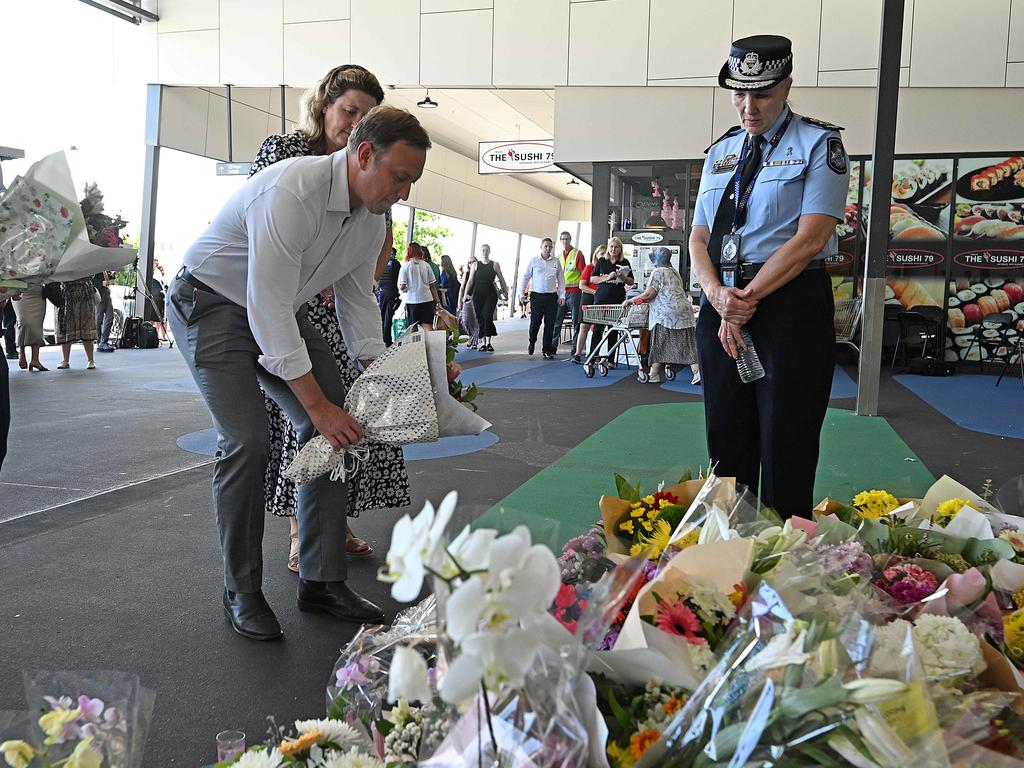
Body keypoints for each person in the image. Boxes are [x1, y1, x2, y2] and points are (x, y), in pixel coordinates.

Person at [167, 105, 431, 640]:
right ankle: (241, 590)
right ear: (362, 155)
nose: (403, 194)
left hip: (280, 309)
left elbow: (358, 306)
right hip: (212, 304)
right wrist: (317, 405)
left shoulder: (372, 220)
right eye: (399, 178)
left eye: (412, 183)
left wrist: (386, 379)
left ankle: (321, 581)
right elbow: (264, 306)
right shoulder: (293, 190)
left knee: (338, 431)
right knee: (246, 440)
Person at [248, 64, 410, 574]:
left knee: (350, 418)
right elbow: (266, 241)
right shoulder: (287, 159)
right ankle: (301, 532)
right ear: (324, 107)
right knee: (300, 419)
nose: (356, 120)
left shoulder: (379, 175)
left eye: (367, 114)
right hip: (277, 304)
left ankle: (333, 522)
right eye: (349, 111)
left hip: (335, 305)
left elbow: (368, 258)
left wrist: (387, 365)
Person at [689, 34, 848, 518]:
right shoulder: (720, 153)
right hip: (722, 302)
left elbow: (811, 238)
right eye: (739, 93)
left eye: (761, 93)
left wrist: (746, 299)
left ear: (787, 87)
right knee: (725, 440)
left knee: (787, 442)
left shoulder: (820, 144)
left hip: (787, 303)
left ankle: (786, 566)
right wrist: (718, 295)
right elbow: (698, 237)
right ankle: (727, 553)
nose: (748, 106)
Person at [627, 248, 697, 382]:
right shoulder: (674, 271)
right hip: (684, 313)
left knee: (659, 343)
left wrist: (630, 300)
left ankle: (654, 375)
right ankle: (696, 371)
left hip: (665, 315)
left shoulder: (657, 272)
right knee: (686, 343)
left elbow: (649, 294)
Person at [519, 237, 565, 360]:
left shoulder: (556, 261)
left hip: (551, 297)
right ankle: (532, 341)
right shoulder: (534, 261)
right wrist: (521, 294)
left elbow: (561, 280)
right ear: (541, 247)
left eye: (550, 247)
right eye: (546, 246)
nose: (548, 248)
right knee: (535, 322)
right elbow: (525, 277)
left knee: (550, 324)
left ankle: (547, 349)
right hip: (536, 296)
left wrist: (562, 296)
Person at [589, 237, 634, 364]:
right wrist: (607, 277)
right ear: (608, 248)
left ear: (620, 249)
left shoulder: (625, 262)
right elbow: (593, 279)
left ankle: (611, 360)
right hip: (601, 299)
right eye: (611, 246)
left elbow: (631, 281)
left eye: (616, 247)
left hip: (617, 299)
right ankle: (593, 357)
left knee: (613, 330)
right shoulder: (602, 261)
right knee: (598, 329)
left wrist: (623, 277)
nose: (613, 249)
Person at [460, 244, 507, 352]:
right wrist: (465, 294)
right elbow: (470, 281)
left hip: (490, 293)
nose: (485, 252)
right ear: (480, 252)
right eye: (483, 250)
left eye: (486, 250)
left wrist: (505, 292)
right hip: (478, 294)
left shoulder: (494, 265)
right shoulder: (475, 265)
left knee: (487, 316)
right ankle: (483, 342)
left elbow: (501, 278)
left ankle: (488, 343)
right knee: (480, 317)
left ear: (490, 251)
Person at [571, 244, 605, 363]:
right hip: (588, 298)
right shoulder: (589, 268)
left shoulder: (606, 270)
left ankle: (594, 353)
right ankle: (578, 353)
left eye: (605, 254)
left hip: (601, 300)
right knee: (584, 326)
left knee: (598, 328)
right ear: (596, 255)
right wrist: (595, 292)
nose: (603, 256)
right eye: (601, 253)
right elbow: (582, 285)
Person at [56, 278, 98, 370]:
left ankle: (91, 360)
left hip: (84, 291)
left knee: (86, 325)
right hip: (67, 292)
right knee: (66, 326)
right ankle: (65, 360)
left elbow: (92, 274)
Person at [554, 231, 587, 347]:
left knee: (575, 321)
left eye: (567, 239)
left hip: (574, 293)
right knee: (557, 321)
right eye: (563, 239)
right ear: (560, 241)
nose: (565, 241)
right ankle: (552, 347)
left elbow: (584, 273)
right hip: (562, 292)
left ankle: (575, 346)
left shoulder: (577, 254)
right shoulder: (558, 256)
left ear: (570, 239)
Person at [398, 242, 440, 330]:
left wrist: (403, 288)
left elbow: (402, 286)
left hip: (412, 300)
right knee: (427, 325)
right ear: (420, 252)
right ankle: (430, 343)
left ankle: (415, 344)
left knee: (412, 327)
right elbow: (432, 286)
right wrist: (437, 301)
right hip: (427, 299)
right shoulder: (427, 265)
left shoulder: (405, 267)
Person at [11, 285, 47, 372]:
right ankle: (22, 354)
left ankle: (35, 360)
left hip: (38, 292)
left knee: (36, 325)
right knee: (23, 323)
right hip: (20, 291)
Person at [377, 247, 402, 346]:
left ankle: (380, 338)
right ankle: (387, 340)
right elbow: (399, 278)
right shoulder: (396, 264)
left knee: (381, 317)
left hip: (381, 293)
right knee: (388, 317)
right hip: (391, 293)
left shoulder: (381, 264)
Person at [458, 256, 480, 348]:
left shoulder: (479, 274)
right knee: (466, 320)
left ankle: (474, 341)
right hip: (466, 299)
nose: (471, 264)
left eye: (473, 261)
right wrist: (459, 301)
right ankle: (471, 337)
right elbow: (462, 288)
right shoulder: (466, 274)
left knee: (476, 320)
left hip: (477, 298)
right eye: (470, 262)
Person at [145, 259, 169, 343]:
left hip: (159, 297)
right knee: (154, 316)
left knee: (160, 317)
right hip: (155, 297)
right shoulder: (152, 274)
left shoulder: (157, 273)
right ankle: (154, 334)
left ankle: (161, 335)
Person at [94, 271, 117, 353]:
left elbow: (106, 277)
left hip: (106, 291)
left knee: (110, 316)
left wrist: (111, 275)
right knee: (99, 318)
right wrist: (101, 283)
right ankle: (99, 341)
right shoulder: (96, 265)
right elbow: (91, 280)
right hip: (99, 292)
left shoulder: (104, 265)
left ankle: (104, 341)